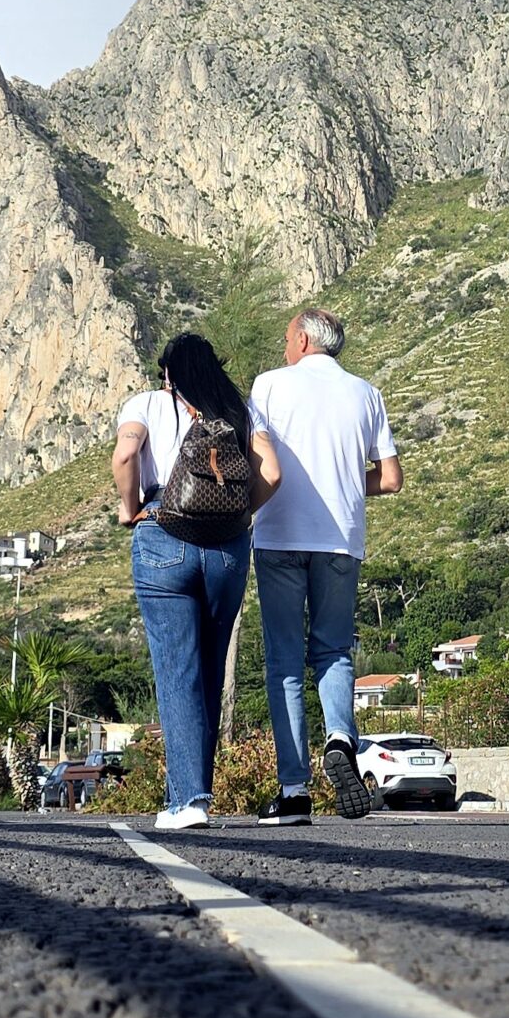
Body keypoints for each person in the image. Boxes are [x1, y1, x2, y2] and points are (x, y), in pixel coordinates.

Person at [113, 332, 281, 831]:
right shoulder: (239, 409)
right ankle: (191, 796)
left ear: (168, 373)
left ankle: (188, 801)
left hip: (163, 532)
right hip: (227, 548)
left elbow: (125, 456)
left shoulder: (147, 403)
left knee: (176, 671)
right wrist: (238, 515)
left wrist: (129, 508)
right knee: (208, 672)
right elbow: (272, 473)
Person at [248, 309, 402, 825]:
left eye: (286, 337)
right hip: (340, 540)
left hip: (279, 536)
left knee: (285, 662)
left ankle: (294, 791)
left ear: (303, 339)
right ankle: (339, 738)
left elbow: (258, 460)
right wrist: (345, 485)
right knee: (333, 650)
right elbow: (391, 478)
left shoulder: (269, 385)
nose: (284, 346)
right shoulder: (366, 393)